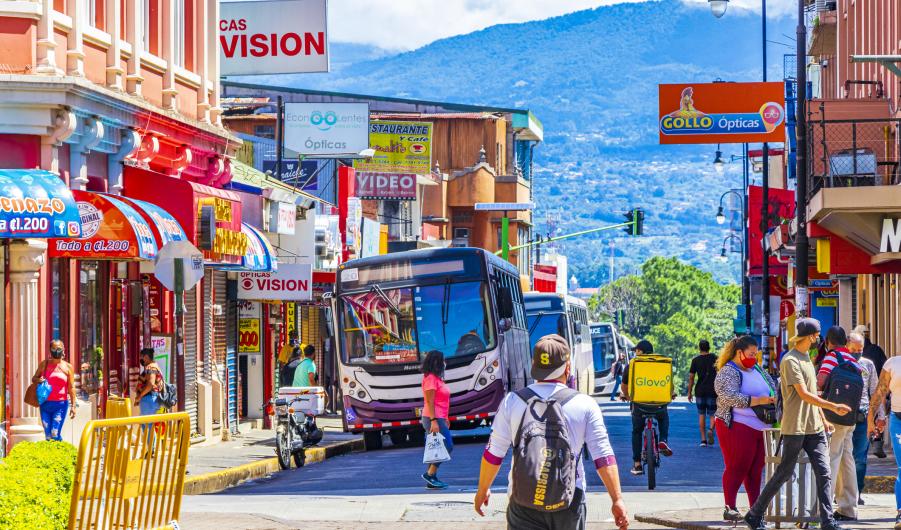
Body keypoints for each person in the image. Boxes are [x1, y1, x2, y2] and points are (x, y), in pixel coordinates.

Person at [474, 334, 629, 529]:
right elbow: (603, 456)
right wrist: (617, 499)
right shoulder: (585, 404)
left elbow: (493, 454)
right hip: (569, 501)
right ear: (567, 367)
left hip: (523, 502)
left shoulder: (512, 402)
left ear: (534, 365)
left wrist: (483, 490)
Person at [743, 317, 852, 530]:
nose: (818, 338)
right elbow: (803, 394)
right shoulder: (790, 360)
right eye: (816, 334)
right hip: (796, 426)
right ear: (809, 336)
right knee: (784, 472)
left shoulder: (806, 358)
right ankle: (754, 514)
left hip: (815, 427)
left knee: (824, 472)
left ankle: (827, 521)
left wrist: (822, 418)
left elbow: (812, 394)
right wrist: (832, 407)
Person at [713, 335, 775, 522]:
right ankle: (729, 506)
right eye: (751, 353)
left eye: (756, 354)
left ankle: (755, 509)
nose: (754, 357)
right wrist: (757, 401)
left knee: (755, 469)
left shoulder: (756, 369)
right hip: (737, 425)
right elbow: (727, 397)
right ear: (739, 353)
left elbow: (772, 387)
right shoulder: (728, 371)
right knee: (738, 466)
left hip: (761, 427)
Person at [816, 326, 864, 521]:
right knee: (847, 460)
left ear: (828, 342)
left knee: (832, 458)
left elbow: (820, 381)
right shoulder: (853, 360)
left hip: (833, 415)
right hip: (850, 417)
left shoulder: (832, 356)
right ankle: (849, 508)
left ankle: (825, 509)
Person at [621, 339, 673, 475]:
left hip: (639, 405)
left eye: (636, 350)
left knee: (637, 431)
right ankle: (663, 440)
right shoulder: (661, 363)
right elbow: (667, 384)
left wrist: (627, 397)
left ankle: (637, 464)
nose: (635, 353)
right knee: (663, 418)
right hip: (659, 405)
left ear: (640, 351)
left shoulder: (633, 364)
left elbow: (624, 386)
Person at [847, 331, 884, 507]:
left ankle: (857, 492)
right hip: (842, 417)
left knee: (860, 458)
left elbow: (876, 393)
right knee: (841, 457)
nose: (857, 352)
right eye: (853, 349)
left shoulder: (868, 365)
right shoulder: (839, 363)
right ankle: (842, 493)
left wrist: (880, 416)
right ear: (847, 347)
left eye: (860, 349)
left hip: (863, 417)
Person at [866, 348, 901, 529]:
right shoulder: (892, 364)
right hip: (898, 419)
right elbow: (880, 392)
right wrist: (871, 419)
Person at [31, 340, 77, 441]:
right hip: (45, 404)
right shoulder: (44, 364)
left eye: (59, 349)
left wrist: (73, 406)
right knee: (48, 436)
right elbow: (34, 378)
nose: (57, 351)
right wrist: (39, 380)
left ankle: (60, 453)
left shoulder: (68, 367)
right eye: (54, 349)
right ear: (50, 350)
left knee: (55, 433)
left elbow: (71, 387)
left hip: (60, 405)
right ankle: (52, 455)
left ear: (63, 350)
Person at [855, 324, 889, 459]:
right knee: (876, 419)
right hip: (875, 391)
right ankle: (877, 442)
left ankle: (874, 442)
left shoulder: (857, 353)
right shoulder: (876, 350)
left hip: (862, 396)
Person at [421, 350, 452, 489]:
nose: (445, 363)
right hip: (432, 417)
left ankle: (431, 481)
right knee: (447, 446)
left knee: (435, 448)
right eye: (443, 360)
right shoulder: (430, 379)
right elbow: (430, 401)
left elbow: (442, 401)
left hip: (439, 417)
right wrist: (434, 420)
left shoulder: (438, 379)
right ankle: (430, 475)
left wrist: (445, 418)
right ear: (437, 362)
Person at [688, 339, 718, 447]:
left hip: (700, 390)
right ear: (709, 347)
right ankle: (710, 429)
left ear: (699, 348)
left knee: (701, 414)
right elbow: (720, 373)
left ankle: (703, 440)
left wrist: (689, 392)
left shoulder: (695, 360)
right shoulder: (715, 358)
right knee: (712, 414)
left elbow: (691, 377)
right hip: (712, 390)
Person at [136, 348, 165, 416]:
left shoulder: (151, 367)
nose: (140, 360)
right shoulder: (154, 366)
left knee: (147, 425)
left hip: (149, 400)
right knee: (151, 425)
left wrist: (140, 396)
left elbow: (150, 384)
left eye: (141, 357)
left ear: (146, 357)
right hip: (152, 399)